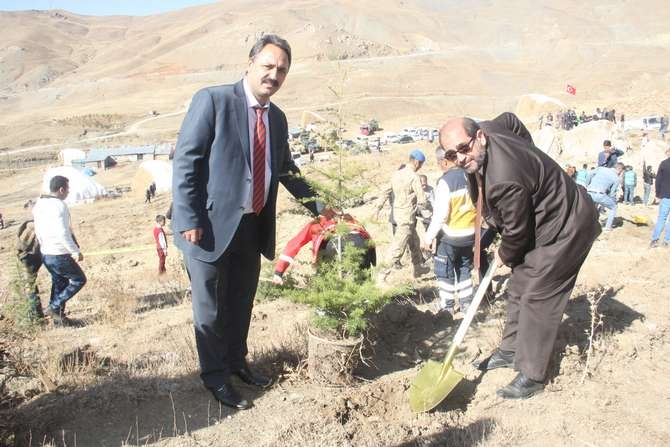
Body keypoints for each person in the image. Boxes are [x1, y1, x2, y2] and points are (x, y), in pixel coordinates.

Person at [171, 34, 327, 410]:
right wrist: (189, 216)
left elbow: (286, 169)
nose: (274, 75)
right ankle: (215, 378)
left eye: (282, 70)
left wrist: (320, 206)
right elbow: (187, 162)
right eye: (268, 66)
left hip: (251, 226)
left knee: (241, 302)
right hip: (205, 228)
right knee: (210, 309)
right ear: (250, 63)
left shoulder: (277, 118)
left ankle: (237, 362)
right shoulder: (213, 100)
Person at [439, 113, 600, 399]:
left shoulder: (505, 181)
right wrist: (532, 156)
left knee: (539, 294)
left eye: (464, 149)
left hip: (568, 225)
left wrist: (503, 254)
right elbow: (512, 121)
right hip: (543, 222)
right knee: (519, 285)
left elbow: (516, 234)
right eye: (452, 154)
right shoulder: (490, 128)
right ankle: (510, 350)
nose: (461, 158)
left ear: (479, 138)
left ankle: (533, 374)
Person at [421, 147, 476, 314]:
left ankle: (448, 306)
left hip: (451, 235)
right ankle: (466, 303)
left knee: (444, 270)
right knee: (465, 268)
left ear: (444, 162)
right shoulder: (469, 176)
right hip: (470, 233)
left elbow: (441, 215)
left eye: (439, 164)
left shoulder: (445, 182)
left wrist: (428, 238)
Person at [32, 175, 87, 326]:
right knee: (79, 280)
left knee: (59, 284)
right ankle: (54, 307)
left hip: (46, 252)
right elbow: (62, 232)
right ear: (61, 189)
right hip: (58, 253)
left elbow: (38, 229)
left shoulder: (39, 204)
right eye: (67, 189)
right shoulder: (59, 205)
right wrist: (75, 251)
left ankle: (59, 322)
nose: (68, 192)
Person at [272, 214, 375, 285]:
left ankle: (325, 311)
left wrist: (278, 272)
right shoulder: (351, 219)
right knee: (362, 279)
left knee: (326, 278)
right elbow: (367, 239)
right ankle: (366, 307)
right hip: (362, 242)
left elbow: (294, 244)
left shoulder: (317, 222)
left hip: (333, 243)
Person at [374, 150, 428, 277]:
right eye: (421, 164)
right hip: (407, 217)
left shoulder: (396, 174)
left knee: (415, 242)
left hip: (398, 215)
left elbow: (385, 192)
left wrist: (377, 208)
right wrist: (428, 211)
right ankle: (381, 275)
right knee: (397, 249)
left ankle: (418, 268)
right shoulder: (414, 177)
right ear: (416, 162)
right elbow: (422, 200)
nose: (420, 167)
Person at [16, 219, 44, 322]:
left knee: (29, 285)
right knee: (30, 285)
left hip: (27, 254)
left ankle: (36, 315)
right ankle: (38, 314)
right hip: (30, 254)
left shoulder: (28, 225)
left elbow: (20, 245)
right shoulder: (34, 225)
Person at [586, 163, 623, 231]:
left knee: (593, 207)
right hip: (600, 194)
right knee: (613, 207)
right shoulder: (616, 178)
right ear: (620, 170)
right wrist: (614, 201)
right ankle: (608, 227)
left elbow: (589, 174)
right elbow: (612, 194)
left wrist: (587, 185)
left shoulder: (601, 168)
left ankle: (589, 223)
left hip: (589, 192)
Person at [650, 148, 670, 247]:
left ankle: (655, 240)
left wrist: (657, 194)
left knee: (661, 219)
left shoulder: (664, 163)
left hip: (665, 195)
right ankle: (666, 241)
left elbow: (658, 180)